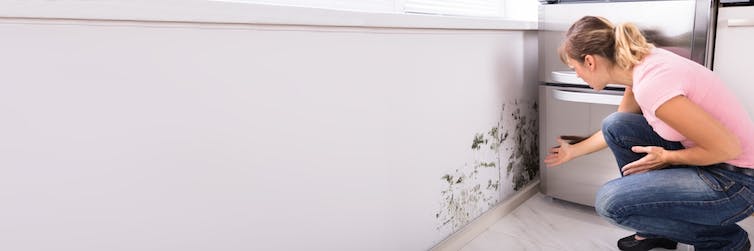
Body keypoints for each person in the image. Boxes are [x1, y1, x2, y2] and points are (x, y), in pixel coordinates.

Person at [544, 16, 754, 251]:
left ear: (590, 62)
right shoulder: (639, 66)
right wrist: (572, 151)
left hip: (737, 183)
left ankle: (724, 240)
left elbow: (728, 148)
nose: (578, 76)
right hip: (716, 162)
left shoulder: (652, 85)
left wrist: (667, 157)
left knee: (610, 203)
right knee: (617, 124)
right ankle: (657, 232)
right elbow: (614, 130)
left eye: (575, 69)